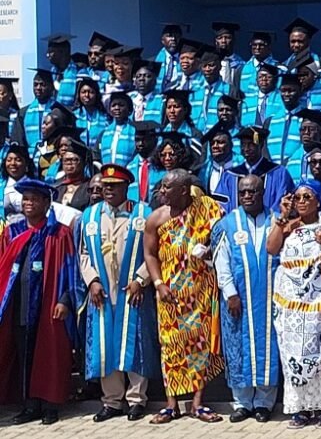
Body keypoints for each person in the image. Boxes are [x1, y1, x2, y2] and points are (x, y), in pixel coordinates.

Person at [143, 169, 224, 424]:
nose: (162, 192)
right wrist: (158, 283)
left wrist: (209, 252)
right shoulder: (156, 218)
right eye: (162, 187)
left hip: (200, 290)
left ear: (183, 190)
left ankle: (197, 403)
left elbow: (223, 238)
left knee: (199, 347)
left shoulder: (206, 208)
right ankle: (171, 404)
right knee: (171, 347)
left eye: (168, 188)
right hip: (170, 294)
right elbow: (150, 254)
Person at [80, 164, 159, 423]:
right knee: (106, 344)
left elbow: (154, 251)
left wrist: (141, 279)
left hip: (132, 289)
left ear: (127, 187)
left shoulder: (143, 214)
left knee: (134, 340)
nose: (108, 190)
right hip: (102, 290)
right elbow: (83, 255)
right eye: (105, 186)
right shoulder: (89, 217)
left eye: (114, 186)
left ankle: (137, 399)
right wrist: (91, 281)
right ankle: (112, 401)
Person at [267, 180, 321, 429]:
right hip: (290, 304)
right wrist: (282, 216)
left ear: (319, 200)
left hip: (319, 299)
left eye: (307, 197)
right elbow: (271, 248)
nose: (301, 202)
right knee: (293, 354)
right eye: (298, 197)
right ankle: (300, 408)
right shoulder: (288, 225)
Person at [0, 179, 79, 425]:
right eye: (25, 199)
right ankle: (30, 405)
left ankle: (51, 405)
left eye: (34, 199)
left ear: (47, 203)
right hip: (20, 306)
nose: (28, 203)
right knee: (25, 355)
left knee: (50, 354)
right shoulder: (13, 232)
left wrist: (65, 300)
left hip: (49, 304)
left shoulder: (59, 233)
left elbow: (70, 270)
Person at [211, 175, 280, 423]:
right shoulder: (227, 224)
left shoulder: (276, 222)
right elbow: (222, 263)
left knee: (268, 347)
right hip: (238, 299)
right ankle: (242, 403)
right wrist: (230, 293)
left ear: (263, 192)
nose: (248, 196)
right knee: (238, 348)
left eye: (253, 192)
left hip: (269, 298)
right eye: (243, 192)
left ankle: (263, 403)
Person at [214, 126, 294, 213]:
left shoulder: (279, 173)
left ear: (261, 145)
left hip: (271, 224)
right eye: (243, 145)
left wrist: (270, 221)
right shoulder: (229, 175)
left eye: (251, 144)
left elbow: (283, 203)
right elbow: (221, 206)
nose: (246, 149)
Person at [265, 74, 305, 165]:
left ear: (300, 91)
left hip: (295, 169)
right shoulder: (271, 120)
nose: (286, 94)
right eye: (283, 91)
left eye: (291, 91)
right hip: (273, 170)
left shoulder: (306, 119)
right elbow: (264, 148)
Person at [18, 69, 58, 154]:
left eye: (42, 85)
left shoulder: (58, 111)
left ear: (51, 87)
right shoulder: (23, 112)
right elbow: (19, 141)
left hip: (53, 157)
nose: (38, 88)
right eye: (35, 85)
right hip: (30, 158)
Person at [199, 123, 244, 195]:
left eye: (220, 142)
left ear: (231, 145)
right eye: (212, 143)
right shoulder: (204, 170)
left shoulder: (242, 165)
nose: (215, 146)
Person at [126, 121, 163, 203]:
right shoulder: (129, 168)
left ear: (155, 140)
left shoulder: (163, 166)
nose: (140, 143)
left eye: (145, 139)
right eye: (137, 140)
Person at [161, 89, 203, 158]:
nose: (172, 111)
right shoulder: (163, 134)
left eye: (176, 107)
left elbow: (197, 160)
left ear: (185, 110)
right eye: (169, 107)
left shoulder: (194, 135)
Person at [99, 92, 136, 166]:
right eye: (113, 105)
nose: (117, 108)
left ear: (130, 110)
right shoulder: (104, 132)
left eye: (121, 105)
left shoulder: (135, 131)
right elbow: (96, 154)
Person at [54, 138, 92, 211]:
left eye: (74, 160)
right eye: (65, 160)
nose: (69, 163)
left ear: (84, 163)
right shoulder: (57, 188)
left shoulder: (90, 188)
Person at [43, 33, 79, 107]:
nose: (47, 56)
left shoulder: (78, 73)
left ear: (63, 52)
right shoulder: (51, 72)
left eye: (51, 52)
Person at [241, 63, 283, 128]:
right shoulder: (246, 101)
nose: (264, 80)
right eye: (260, 77)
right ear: (256, 80)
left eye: (268, 77)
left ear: (276, 80)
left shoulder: (281, 99)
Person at [73, 77, 111, 147]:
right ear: (79, 94)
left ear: (97, 95)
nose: (87, 95)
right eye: (83, 92)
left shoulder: (105, 117)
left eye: (91, 92)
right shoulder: (73, 116)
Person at [239, 31, 280, 96]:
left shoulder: (279, 69)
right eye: (254, 44)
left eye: (261, 45)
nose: (257, 48)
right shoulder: (242, 68)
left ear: (269, 47)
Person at [128, 60, 164, 124]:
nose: (141, 79)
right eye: (138, 76)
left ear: (155, 81)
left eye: (147, 76)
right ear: (134, 81)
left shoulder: (162, 100)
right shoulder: (129, 99)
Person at [212, 22, 245, 89]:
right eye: (220, 38)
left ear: (233, 40)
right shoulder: (211, 62)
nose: (223, 41)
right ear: (216, 41)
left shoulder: (241, 63)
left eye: (227, 37)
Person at [153, 23, 183, 92]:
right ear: (162, 40)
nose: (173, 39)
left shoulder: (187, 60)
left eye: (177, 35)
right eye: (169, 36)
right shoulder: (154, 62)